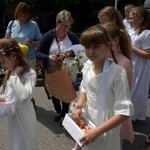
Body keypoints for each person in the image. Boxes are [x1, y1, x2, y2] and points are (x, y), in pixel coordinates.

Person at [72, 24, 134, 150]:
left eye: (96, 47)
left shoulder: (117, 73)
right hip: (88, 119)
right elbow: (85, 89)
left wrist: (97, 131)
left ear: (108, 46)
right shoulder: (88, 65)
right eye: (87, 47)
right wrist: (79, 107)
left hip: (106, 126)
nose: (91, 51)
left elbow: (124, 112)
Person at [35, 10, 79, 127]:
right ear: (57, 23)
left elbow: (80, 52)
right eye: (63, 25)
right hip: (51, 71)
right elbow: (37, 53)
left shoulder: (72, 36)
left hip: (67, 71)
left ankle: (64, 114)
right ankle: (58, 111)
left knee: (66, 93)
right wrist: (48, 57)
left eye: (68, 26)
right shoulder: (49, 36)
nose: (65, 29)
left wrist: (70, 53)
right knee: (54, 92)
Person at [0, 38, 37, 150]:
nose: (3, 66)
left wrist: (15, 77)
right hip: (14, 117)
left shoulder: (29, 73)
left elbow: (24, 97)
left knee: (24, 144)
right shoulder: (11, 73)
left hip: (25, 117)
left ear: (13, 56)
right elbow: (3, 91)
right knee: (15, 143)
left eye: (3, 62)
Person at [5, 2, 42, 107]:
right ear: (17, 14)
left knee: (28, 80)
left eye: (25, 16)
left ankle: (29, 99)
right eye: (20, 15)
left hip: (28, 58)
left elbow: (40, 41)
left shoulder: (33, 25)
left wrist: (32, 42)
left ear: (28, 15)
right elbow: (6, 40)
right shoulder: (12, 24)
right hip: (14, 58)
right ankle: (17, 101)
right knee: (14, 79)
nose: (22, 18)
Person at [103, 22, 134, 145]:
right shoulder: (102, 57)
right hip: (100, 107)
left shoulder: (124, 64)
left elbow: (126, 93)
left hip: (113, 112)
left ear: (115, 41)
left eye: (105, 43)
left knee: (112, 142)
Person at [129, 7, 150, 122]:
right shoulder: (133, 31)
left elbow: (148, 54)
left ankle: (134, 115)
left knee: (137, 89)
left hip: (140, 65)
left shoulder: (146, 34)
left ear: (140, 19)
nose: (129, 20)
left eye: (132, 18)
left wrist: (130, 47)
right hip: (132, 63)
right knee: (130, 87)